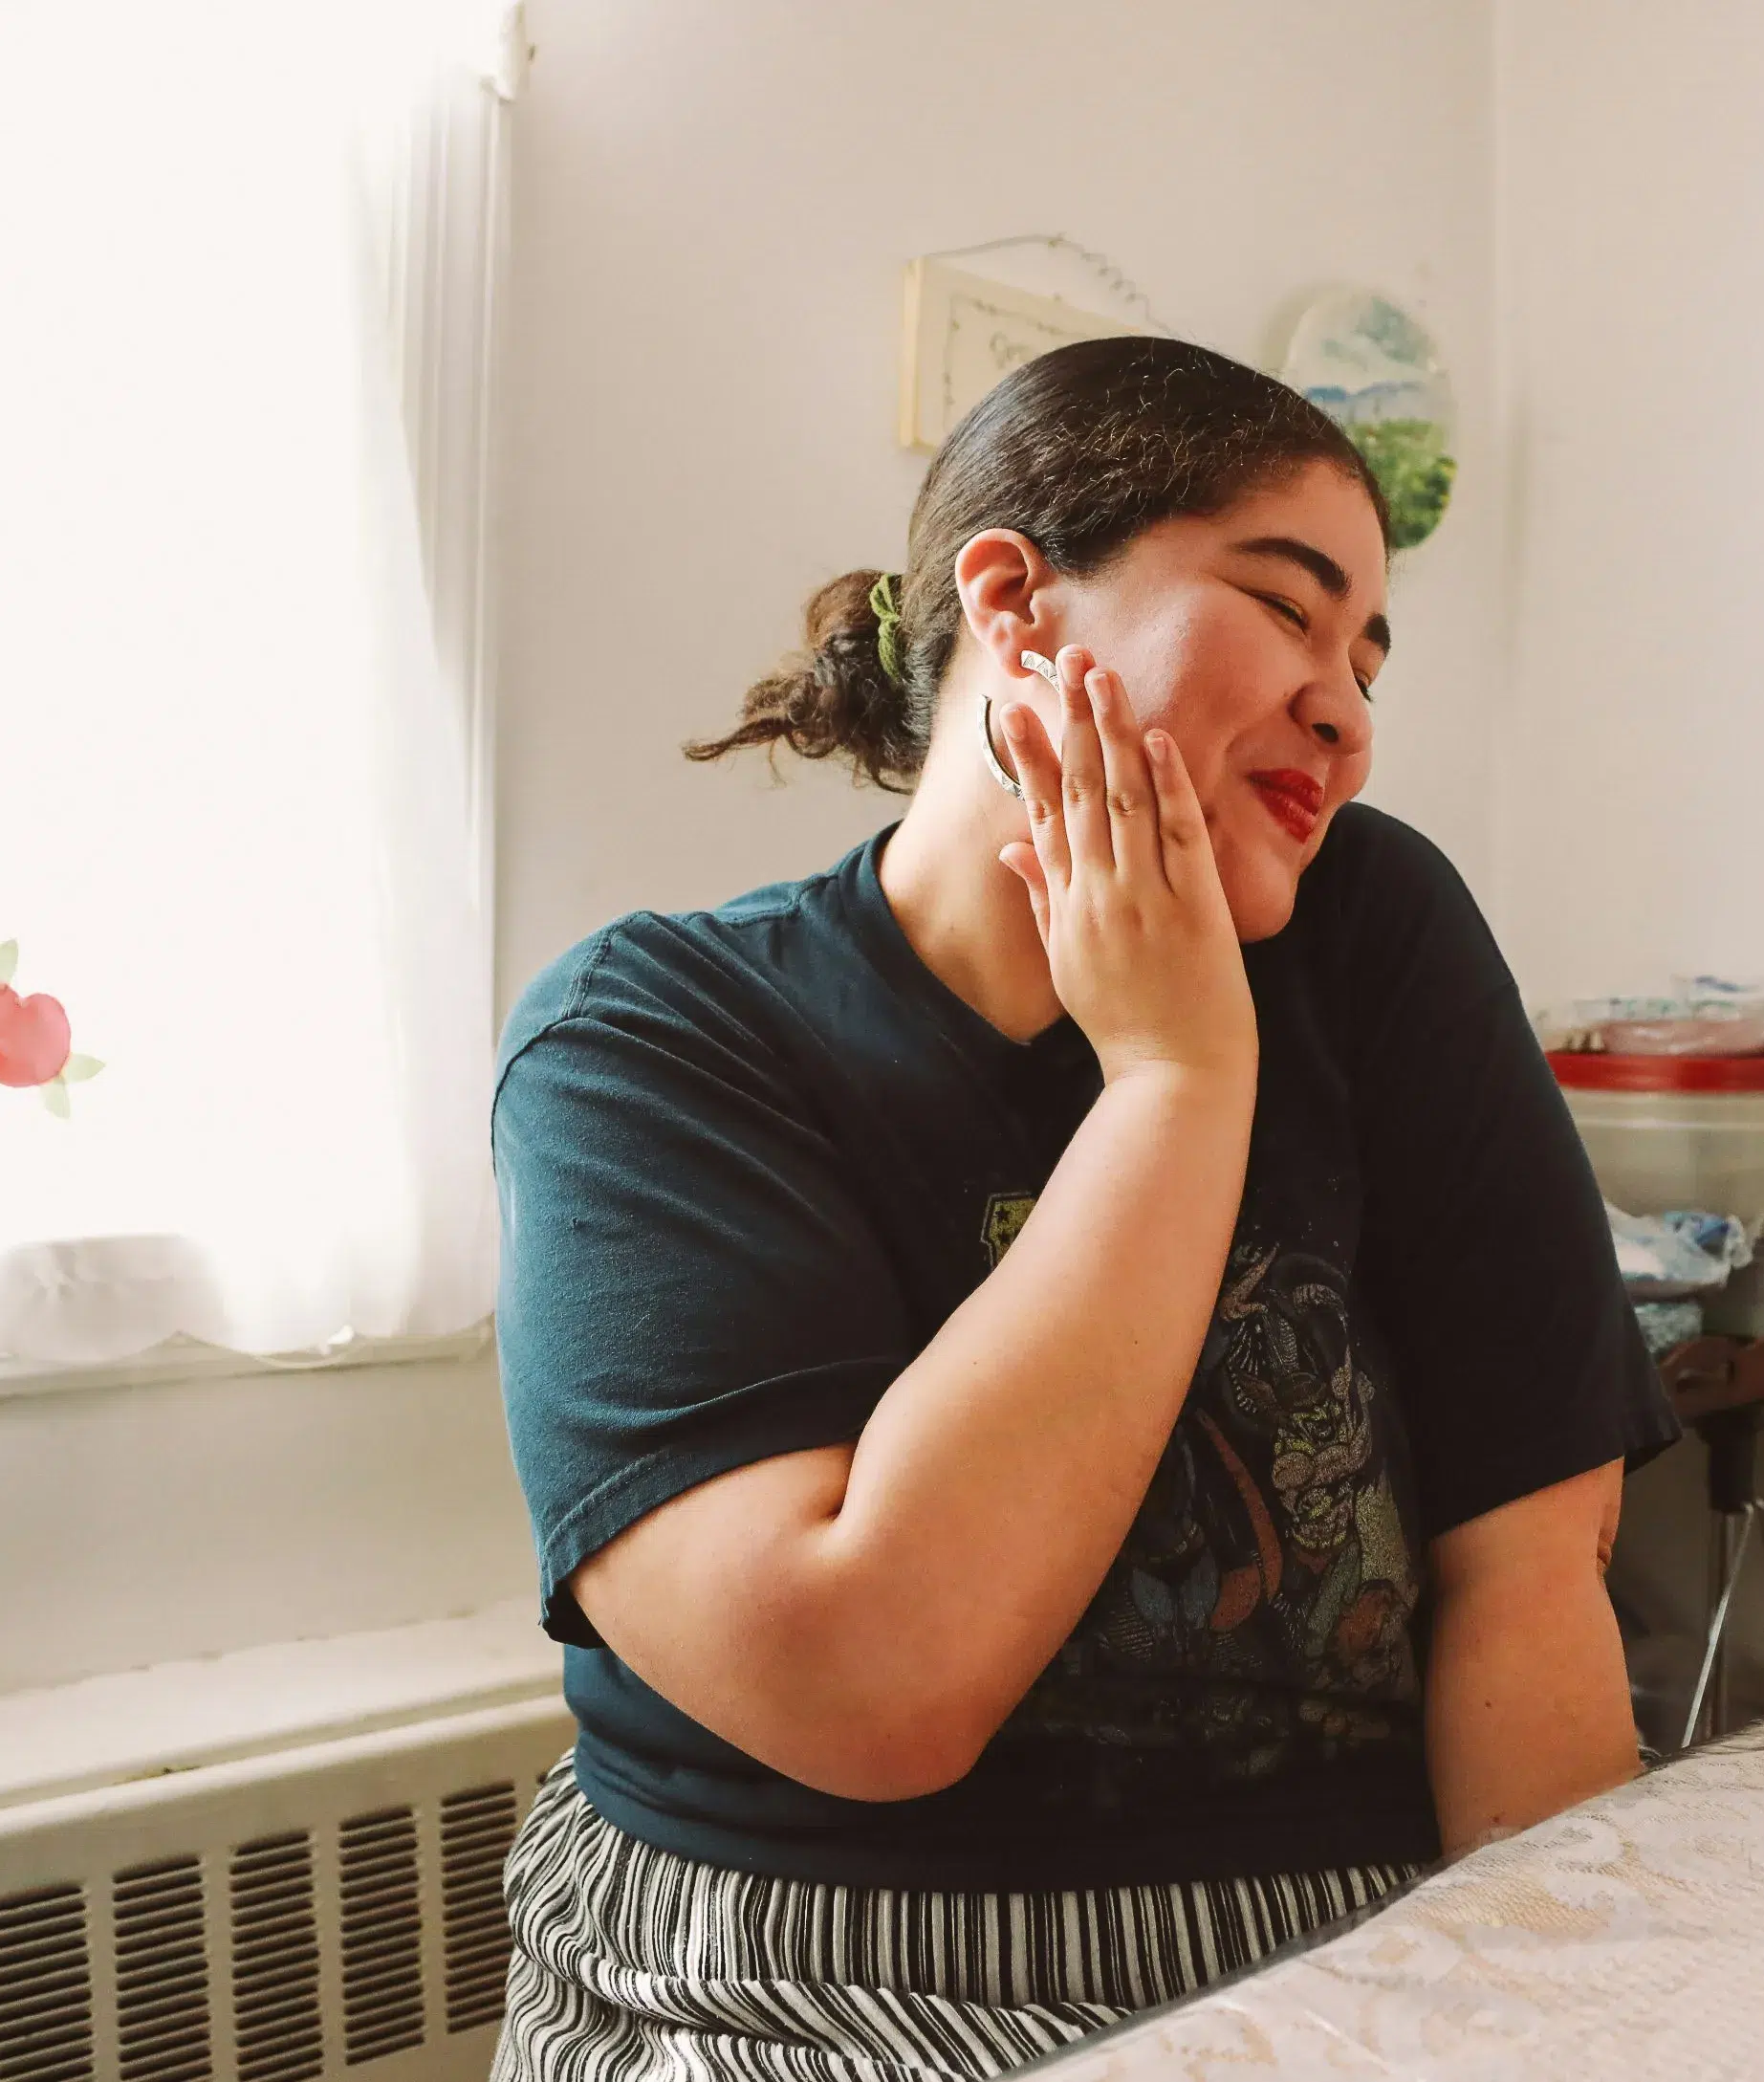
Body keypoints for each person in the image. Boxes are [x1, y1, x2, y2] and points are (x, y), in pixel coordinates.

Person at [489, 336, 1676, 2080]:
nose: (1346, 707)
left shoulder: (1376, 933)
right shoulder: (652, 1039)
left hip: (1354, 1933)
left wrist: (1565, 2008)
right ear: (1015, 603)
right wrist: (1176, 1080)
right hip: (796, 1957)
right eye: (1287, 608)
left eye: (1367, 657)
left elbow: (1528, 1572)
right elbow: (866, 1687)